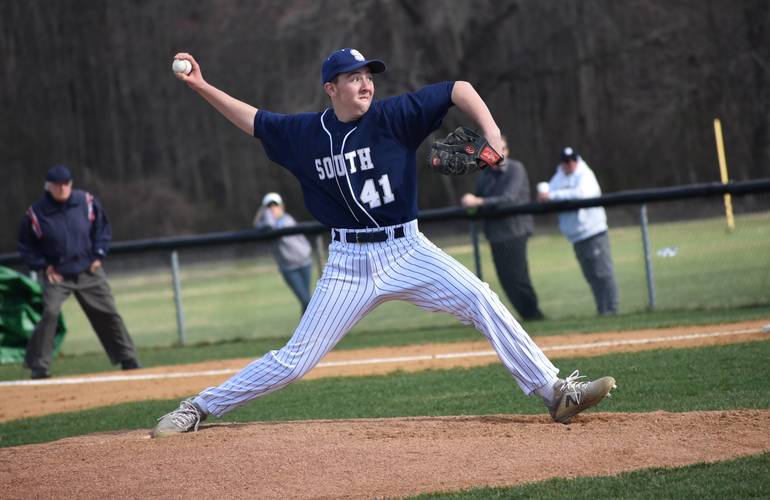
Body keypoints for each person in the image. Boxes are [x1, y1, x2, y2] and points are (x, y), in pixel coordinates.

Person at [153, 49, 615, 436]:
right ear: (330, 88)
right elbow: (253, 120)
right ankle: (197, 408)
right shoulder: (304, 135)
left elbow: (458, 89)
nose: (365, 84)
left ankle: (557, 393)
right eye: (352, 78)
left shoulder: (394, 117)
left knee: (479, 296)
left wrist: (493, 135)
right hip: (348, 262)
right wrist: (200, 86)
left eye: (367, 76)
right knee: (294, 360)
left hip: (407, 249)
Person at [17, 165, 141, 379]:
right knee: (50, 312)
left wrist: (98, 254)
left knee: (108, 313)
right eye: (58, 185)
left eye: (66, 184)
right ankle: (39, 366)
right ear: (49, 187)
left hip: (88, 269)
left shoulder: (86, 201)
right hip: (57, 274)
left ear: (71, 184)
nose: (63, 188)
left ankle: (127, 358)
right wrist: (43, 265)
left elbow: (102, 229)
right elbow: (26, 246)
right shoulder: (36, 213)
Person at [460, 135, 545, 321]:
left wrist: (478, 201)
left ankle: (535, 317)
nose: (499, 154)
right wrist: (470, 201)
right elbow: (478, 199)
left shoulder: (515, 168)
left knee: (518, 278)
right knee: (506, 280)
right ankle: (529, 317)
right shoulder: (486, 175)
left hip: (514, 231)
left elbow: (509, 199)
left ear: (507, 151)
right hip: (495, 234)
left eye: (502, 149)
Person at [537, 147, 619, 315]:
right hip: (576, 236)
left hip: (593, 232)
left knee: (602, 274)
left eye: (571, 161)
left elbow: (582, 193)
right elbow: (549, 191)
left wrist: (552, 196)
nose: (569, 164)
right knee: (591, 276)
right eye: (565, 161)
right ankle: (603, 311)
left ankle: (611, 310)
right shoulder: (559, 175)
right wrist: (545, 195)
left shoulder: (585, 174)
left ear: (576, 160)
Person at [253, 192, 314, 313]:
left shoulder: (287, 219)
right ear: (265, 210)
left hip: (305, 262)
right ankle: (310, 330)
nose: (272, 208)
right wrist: (266, 215)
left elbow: (280, 226)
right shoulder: (265, 225)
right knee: (306, 300)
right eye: (269, 206)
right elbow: (266, 226)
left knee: (306, 302)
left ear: (281, 206)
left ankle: (308, 331)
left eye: (275, 205)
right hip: (289, 268)